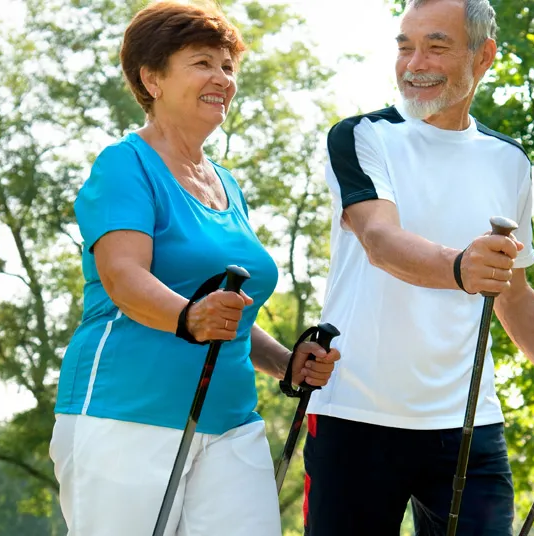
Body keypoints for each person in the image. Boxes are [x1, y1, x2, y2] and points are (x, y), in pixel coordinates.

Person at [302, 0, 534, 535]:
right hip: (354, 418)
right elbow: (380, 240)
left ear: (484, 57)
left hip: (471, 428)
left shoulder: (509, 160)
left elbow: (513, 293)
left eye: (437, 46)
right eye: (405, 46)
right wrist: (460, 267)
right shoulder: (361, 136)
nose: (414, 62)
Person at [48, 3, 340, 535]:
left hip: (230, 422)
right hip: (125, 413)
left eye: (228, 66)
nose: (222, 79)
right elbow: (124, 279)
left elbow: (228, 314)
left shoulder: (227, 184)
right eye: (203, 62)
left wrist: (286, 363)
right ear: (152, 78)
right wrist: (189, 317)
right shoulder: (125, 164)